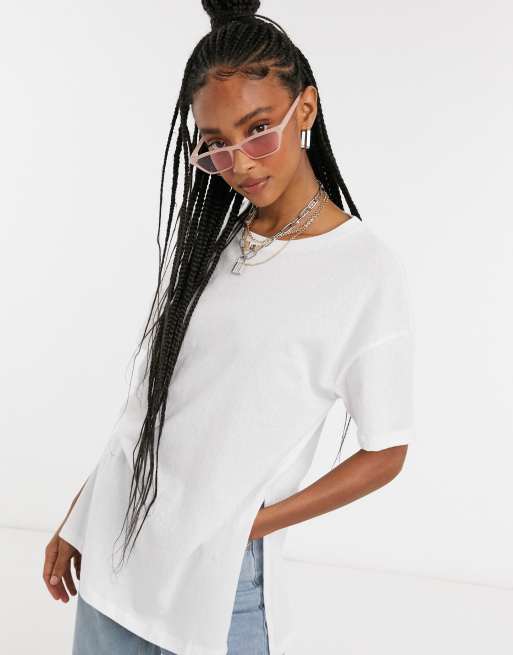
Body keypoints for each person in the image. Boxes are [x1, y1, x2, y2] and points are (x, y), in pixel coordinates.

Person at [42, 1, 416, 654]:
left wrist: (253, 525)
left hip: (221, 582)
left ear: (305, 108)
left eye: (259, 129)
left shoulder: (363, 271)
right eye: (215, 144)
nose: (239, 162)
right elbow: (150, 405)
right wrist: (80, 513)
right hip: (114, 555)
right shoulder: (213, 248)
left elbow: (386, 451)